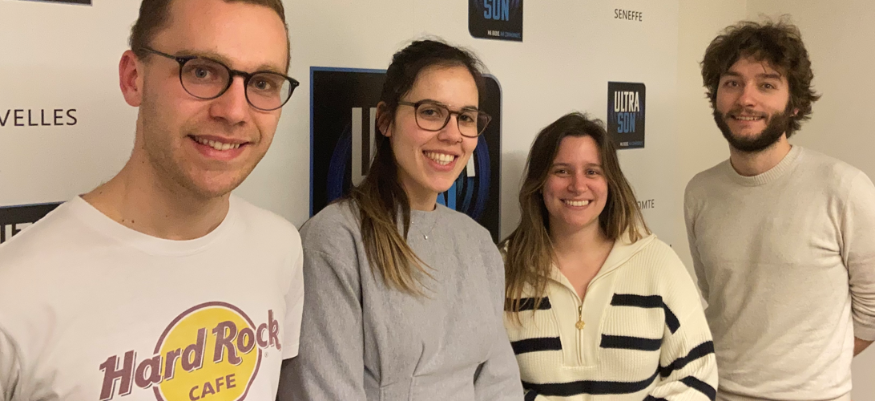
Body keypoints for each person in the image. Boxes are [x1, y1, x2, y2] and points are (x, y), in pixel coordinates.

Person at [0, 0, 304, 399]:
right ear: (133, 78)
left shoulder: (280, 247)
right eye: (201, 71)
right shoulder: (14, 291)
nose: (234, 111)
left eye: (262, 82)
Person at [279, 39, 522, 401]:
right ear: (385, 120)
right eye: (431, 112)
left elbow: (500, 384)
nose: (452, 134)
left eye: (466, 118)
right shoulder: (335, 240)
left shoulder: (477, 242)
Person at [685, 20, 875, 401]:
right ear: (716, 96)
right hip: (717, 391)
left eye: (767, 85)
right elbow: (717, 293)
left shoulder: (844, 188)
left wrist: (813, 370)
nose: (745, 99)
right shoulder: (700, 192)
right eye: (732, 83)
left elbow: (871, 311)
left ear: (795, 103)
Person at [503, 112, 717, 400]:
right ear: (540, 183)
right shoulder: (502, 270)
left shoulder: (658, 264)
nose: (578, 186)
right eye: (562, 171)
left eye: (592, 172)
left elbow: (697, 377)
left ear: (610, 182)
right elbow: (486, 382)